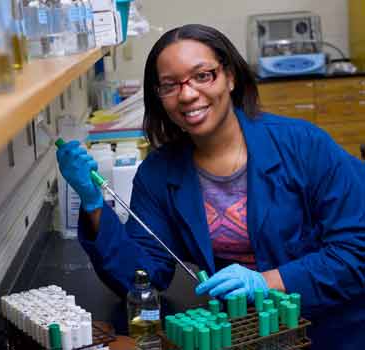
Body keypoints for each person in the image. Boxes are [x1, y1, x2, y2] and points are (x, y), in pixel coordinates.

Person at [56, 24, 365, 349]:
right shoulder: (158, 175)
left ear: (230, 77)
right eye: (170, 85)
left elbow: (356, 250)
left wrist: (266, 282)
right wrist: (92, 201)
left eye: (202, 76)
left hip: (332, 330)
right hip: (243, 333)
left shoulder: (303, 145)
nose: (187, 94)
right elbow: (141, 277)